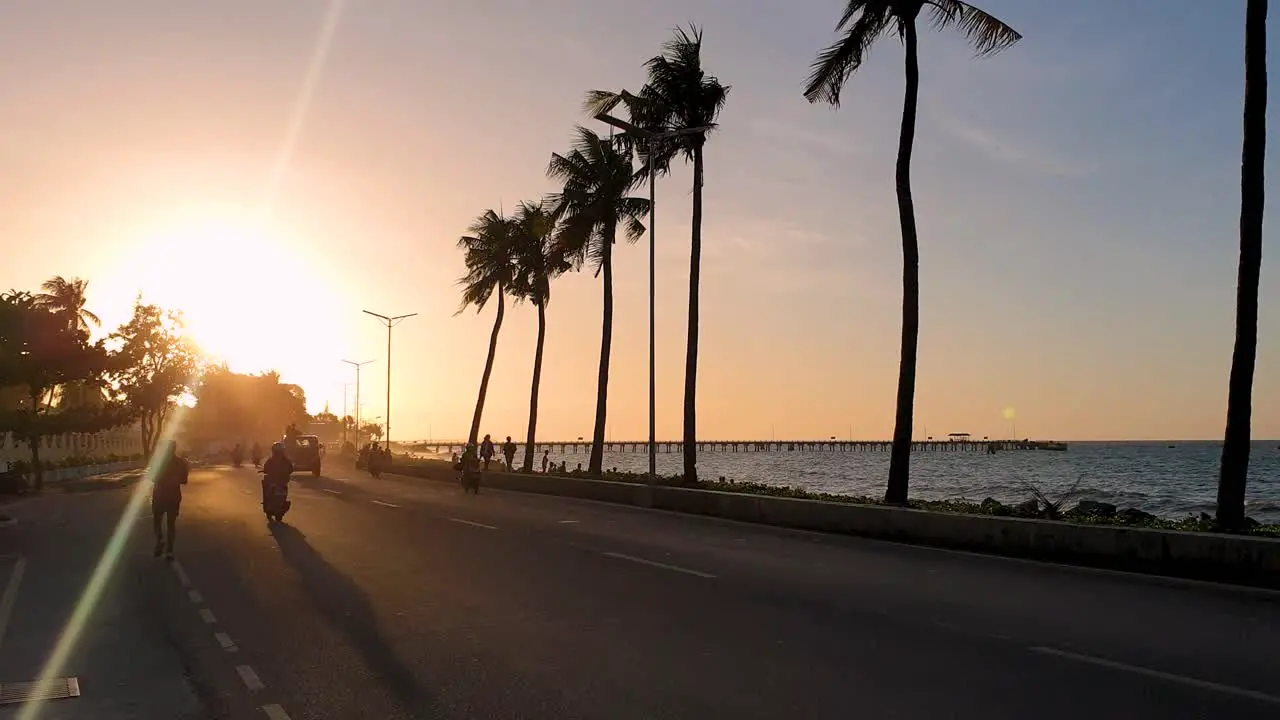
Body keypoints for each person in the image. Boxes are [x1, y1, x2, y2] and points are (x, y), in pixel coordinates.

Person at [152, 441, 189, 560]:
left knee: (157, 520)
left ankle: (160, 539)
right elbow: (184, 481)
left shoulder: (158, 462)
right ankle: (170, 551)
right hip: (174, 495)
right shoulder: (181, 463)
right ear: (175, 449)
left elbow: (151, 478)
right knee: (171, 523)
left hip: (159, 494)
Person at [261, 441, 293, 508]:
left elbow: (266, 468)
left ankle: (266, 501)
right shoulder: (286, 460)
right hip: (281, 481)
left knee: (265, 482)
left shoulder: (272, 459)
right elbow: (291, 469)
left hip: (277, 481)